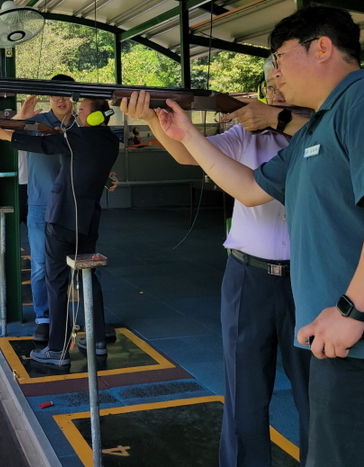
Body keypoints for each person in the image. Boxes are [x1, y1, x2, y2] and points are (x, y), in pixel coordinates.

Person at [147, 6, 364, 467]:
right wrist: (184, 131)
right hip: (340, 333)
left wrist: (352, 309)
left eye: (281, 57)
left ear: (322, 48)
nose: (276, 72)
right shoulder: (318, 126)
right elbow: (249, 189)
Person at [124, 60, 311, 467]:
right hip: (249, 274)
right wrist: (157, 121)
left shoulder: (323, 130)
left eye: (284, 80)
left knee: (317, 396)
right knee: (244, 392)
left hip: (310, 279)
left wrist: (278, 118)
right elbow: (187, 153)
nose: (276, 88)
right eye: (270, 84)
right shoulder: (247, 132)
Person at [0, 97, 119, 366]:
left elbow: (43, 144)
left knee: (56, 283)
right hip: (88, 222)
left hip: (61, 220)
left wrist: (0, 133)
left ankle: (56, 349)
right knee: (89, 279)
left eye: (83, 111)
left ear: (95, 117)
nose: (79, 114)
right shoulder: (110, 140)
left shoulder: (79, 137)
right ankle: (97, 339)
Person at [13, 74, 77, 342]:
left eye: (65, 94)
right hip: (40, 203)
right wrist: (21, 115)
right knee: (40, 265)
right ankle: (44, 317)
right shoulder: (36, 123)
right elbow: (5, 134)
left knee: (74, 263)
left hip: (74, 203)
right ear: (49, 98)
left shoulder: (82, 123)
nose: (61, 100)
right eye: (55, 95)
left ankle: (67, 316)